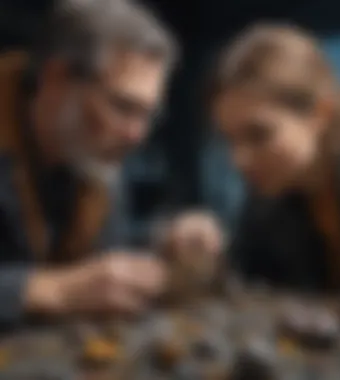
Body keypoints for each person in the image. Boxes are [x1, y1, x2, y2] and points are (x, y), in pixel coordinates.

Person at [0, 0, 221, 330]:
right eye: (122, 106)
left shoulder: (90, 164)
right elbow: (66, 282)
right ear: (55, 77)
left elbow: (96, 262)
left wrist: (164, 240)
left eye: (149, 114)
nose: (137, 135)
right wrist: (49, 290)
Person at [209, 23, 340, 292]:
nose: (239, 160)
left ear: (319, 114)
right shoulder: (268, 194)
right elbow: (246, 279)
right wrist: (203, 256)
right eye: (230, 140)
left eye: (259, 135)